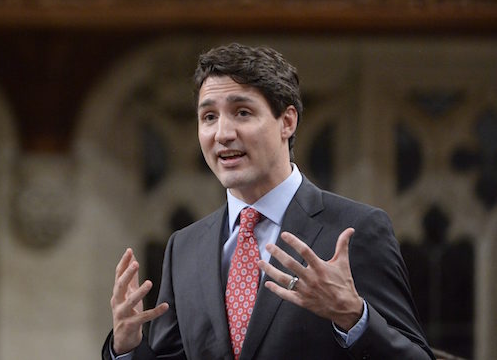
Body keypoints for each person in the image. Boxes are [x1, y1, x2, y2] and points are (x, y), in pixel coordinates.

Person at [102, 43, 434, 360]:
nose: (223, 133)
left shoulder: (355, 229)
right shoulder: (184, 248)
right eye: (209, 117)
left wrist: (353, 317)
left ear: (287, 122)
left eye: (242, 112)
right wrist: (127, 348)